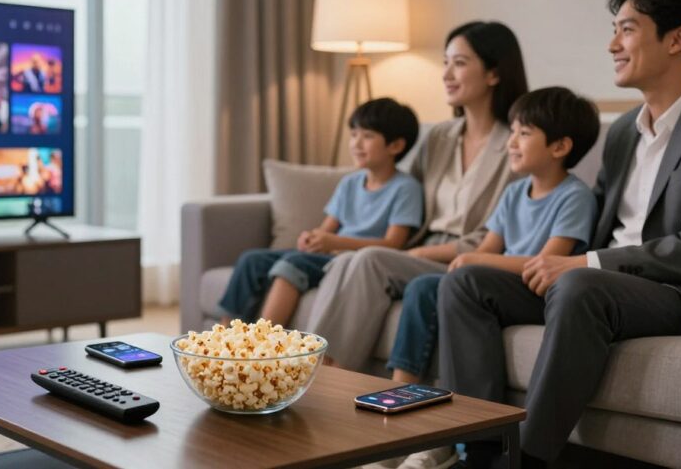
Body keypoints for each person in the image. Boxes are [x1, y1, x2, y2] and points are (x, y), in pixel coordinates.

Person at [440, 0, 681, 469]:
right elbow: (595, 219)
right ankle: (482, 451)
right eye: (614, 29)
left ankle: (527, 461)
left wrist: (585, 264)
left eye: (627, 29)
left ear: (677, 38)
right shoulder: (621, 131)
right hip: (604, 287)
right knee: (466, 282)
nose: (612, 44)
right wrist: (558, 262)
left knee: (580, 288)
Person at [303, 21, 529, 372]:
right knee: (350, 259)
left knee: (369, 259)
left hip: (466, 259)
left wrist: (420, 251)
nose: (447, 74)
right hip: (419, 253)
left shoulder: (516, 145)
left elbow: (500, 234)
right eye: (445, 62)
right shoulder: (438, 137)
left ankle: (321, 369)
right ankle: (313, 364)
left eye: (460, 63)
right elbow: (409, 200)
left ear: (494, 74)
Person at [387, 87, 599, 385]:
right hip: (498, 282)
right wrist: (474, 259)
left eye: (523, 134)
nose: (511, 142)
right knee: (422, 288)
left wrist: (474, 259)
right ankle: (401, 386)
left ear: (560, 147)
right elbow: (489, 249)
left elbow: (550, 262)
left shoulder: (575, 197)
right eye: (512, 132)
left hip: (536, 290)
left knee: (461, 278)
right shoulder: (514, 193)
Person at [218, 98, 424, 327]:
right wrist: (312, 238)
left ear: (395, 146)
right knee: (251, 260)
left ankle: (261, 342)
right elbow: (327, 228)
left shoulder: (406, 188)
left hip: (351, 262)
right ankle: (225, 339)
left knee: (294, 262)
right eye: (354, 134)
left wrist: (335, 242)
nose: (356, 143)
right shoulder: (350, 183)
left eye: (367, 136)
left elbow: (393, 244)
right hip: (329, 254)